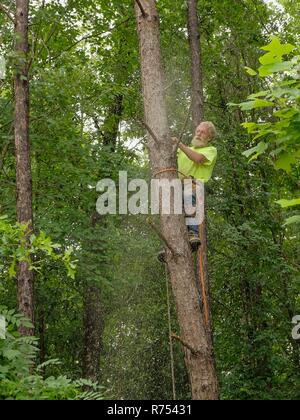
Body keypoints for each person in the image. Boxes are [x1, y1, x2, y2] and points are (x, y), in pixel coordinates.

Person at [158, 121, 217, 263]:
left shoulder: (210, 150)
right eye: (197, 131)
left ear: (209, 136)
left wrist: (180, 144)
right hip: (178, 187)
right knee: (170, 212)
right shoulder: (185, 149)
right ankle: (171, 246)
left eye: (202, 132)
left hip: (194, 185)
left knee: (188, 194)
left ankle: (193, 233)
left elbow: (197, 159)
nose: (198, 133)